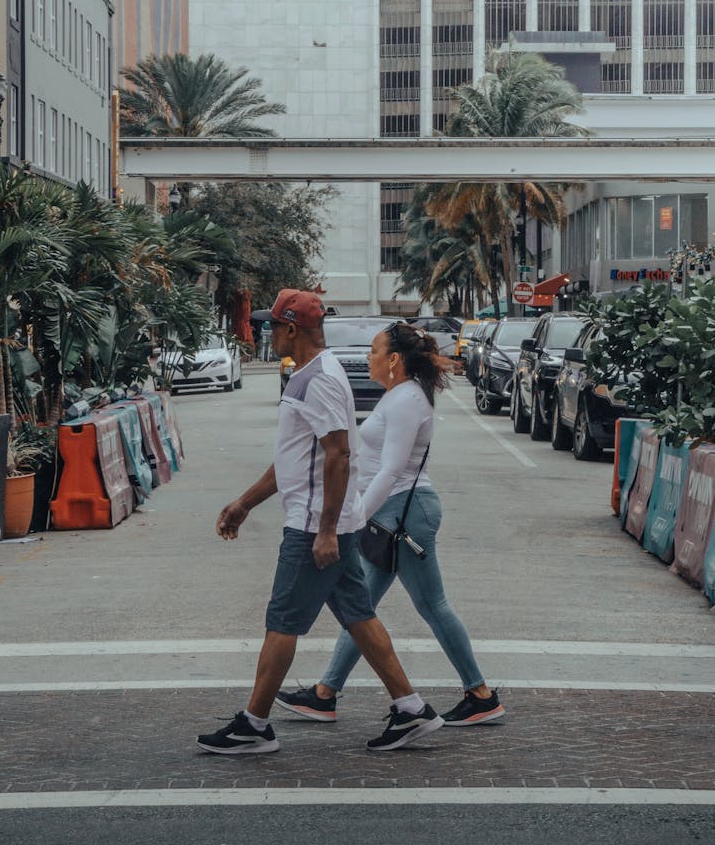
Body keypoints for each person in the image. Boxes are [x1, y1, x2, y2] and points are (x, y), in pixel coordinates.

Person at [196, 291, 444, 755]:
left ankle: (254, 724)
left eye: (272, 325)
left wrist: (327, 529)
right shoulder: (309, 377)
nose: (268, 333)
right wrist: (245, 504)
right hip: (324, 521)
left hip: (314, 526)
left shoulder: (319, 380)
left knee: (282, 621)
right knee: (358, 615)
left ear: (291, 328)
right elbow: (294, 459)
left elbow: (338, 454)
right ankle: (411, 709)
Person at [275, 320, 505, 727]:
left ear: (394, 360)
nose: (368, 357)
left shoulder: (406, 401)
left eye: (375, 351)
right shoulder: (400, 395)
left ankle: (481, 694)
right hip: (392, 514)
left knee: (429, 605)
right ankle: (326, 693)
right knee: (360, 608)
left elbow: (392, 469)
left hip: (402, 515)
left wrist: (356, 517)